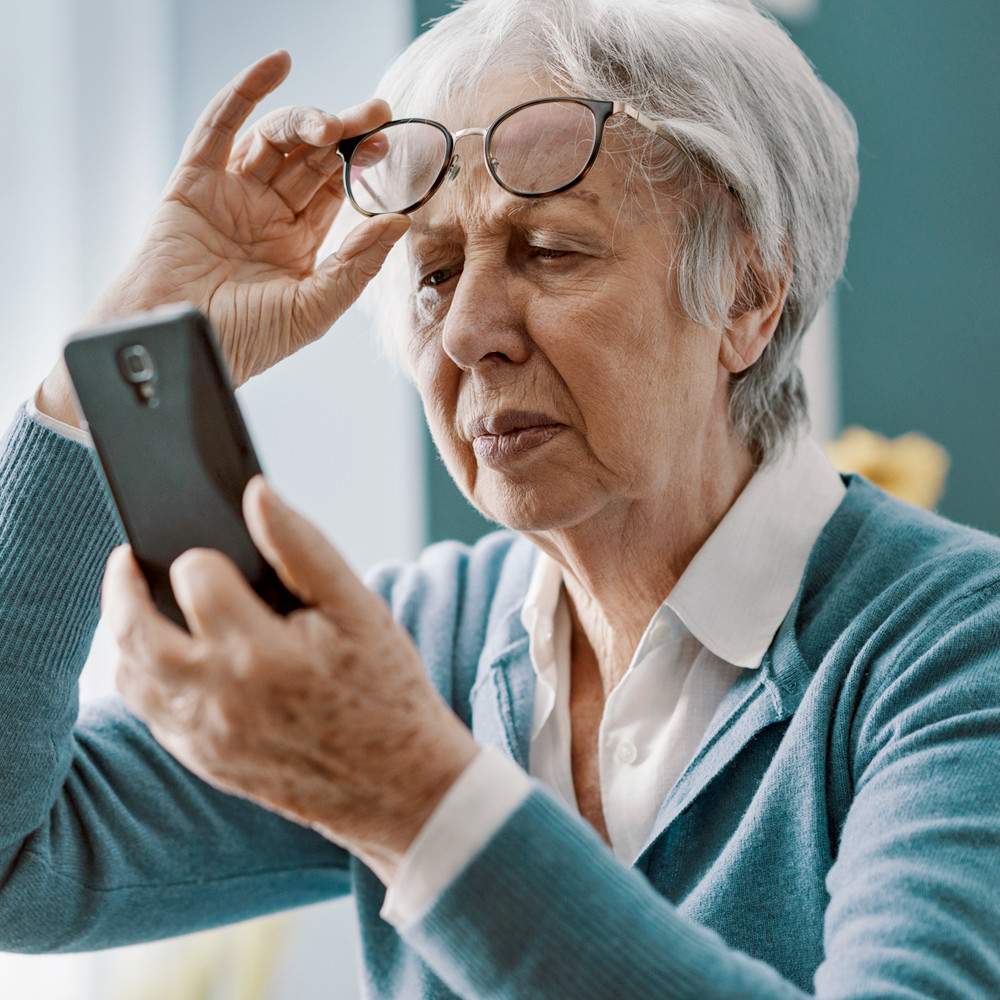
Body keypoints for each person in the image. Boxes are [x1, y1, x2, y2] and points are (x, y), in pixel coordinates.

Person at [2, 0, 998, 995]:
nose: (469, 328)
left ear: (744, 294)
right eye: (434, 272)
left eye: (550, 250)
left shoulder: (955, 643)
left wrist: (405, 790)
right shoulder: (430, 640)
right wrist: (115, 362)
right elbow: (19, 871)